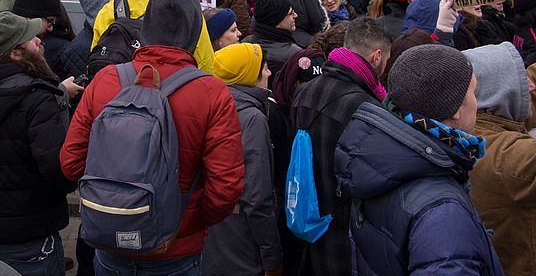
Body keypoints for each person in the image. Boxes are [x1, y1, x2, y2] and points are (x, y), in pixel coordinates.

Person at [61, 0, 244, 276]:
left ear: (145, 26)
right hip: (176, 251)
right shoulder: (212, 92)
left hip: (109, 242)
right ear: (195, 31)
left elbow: (71, 164)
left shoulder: (106, 80)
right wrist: (188, 221)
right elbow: (226, 188)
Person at [335, 44, 504, 275]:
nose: (477, 102)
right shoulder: (442, 213)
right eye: (474, 92)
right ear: (455, 108)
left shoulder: (378, 156)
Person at [0, 12, 76, 276]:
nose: (39, 41)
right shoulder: (39, 99)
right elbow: (58, 170)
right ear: (16, 54)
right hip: (33, 238)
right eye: (31, 39)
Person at [290, 17, 392, 276]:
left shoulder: (305, 91)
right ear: (377, 56)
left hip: (311, 222)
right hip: (346, 235)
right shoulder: (367, 108)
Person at [464, 42, 536, 275]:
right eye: (518, 81)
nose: (530, 85)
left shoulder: (480, 125)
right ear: (498, 95)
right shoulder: (499, 156)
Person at [204, 43, 282, 276]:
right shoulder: (251, 118)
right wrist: (272, 258)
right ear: (248, 75)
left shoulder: (208, 105)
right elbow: (257, 198)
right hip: (241, 244)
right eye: (264, 68)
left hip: (209, 239)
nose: (269, 73)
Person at [11, 0, 76, 80]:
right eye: (50, 21)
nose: (51, 28)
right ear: (31, 18)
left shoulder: (4, 44)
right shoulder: (60, 49)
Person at [243, 0, 301, 87]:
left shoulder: (245, 45)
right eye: (291, 13)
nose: (296, 15)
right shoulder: (295, 55)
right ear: (277, 21)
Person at [62, 0, 116, 80]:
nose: (118, 6)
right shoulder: (79, 48)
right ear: (99, 8)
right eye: (112, 4)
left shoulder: (112, 33)